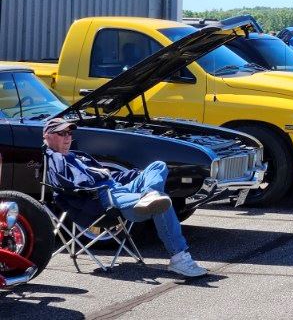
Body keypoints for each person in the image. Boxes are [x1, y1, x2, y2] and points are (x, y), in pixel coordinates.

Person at [43, 117, 208, 277]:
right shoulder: (56, 158)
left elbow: (111, 177)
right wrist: (99, 181)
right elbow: (71, 185)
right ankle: (179, 258)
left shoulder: (77, 156)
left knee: (158, 166)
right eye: (61, 134)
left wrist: (135, 176)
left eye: (69, 133)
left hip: (117, 188)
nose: (67, 138)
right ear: (48, 136)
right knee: (162, 201)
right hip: (103, 198)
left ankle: (149, 194)